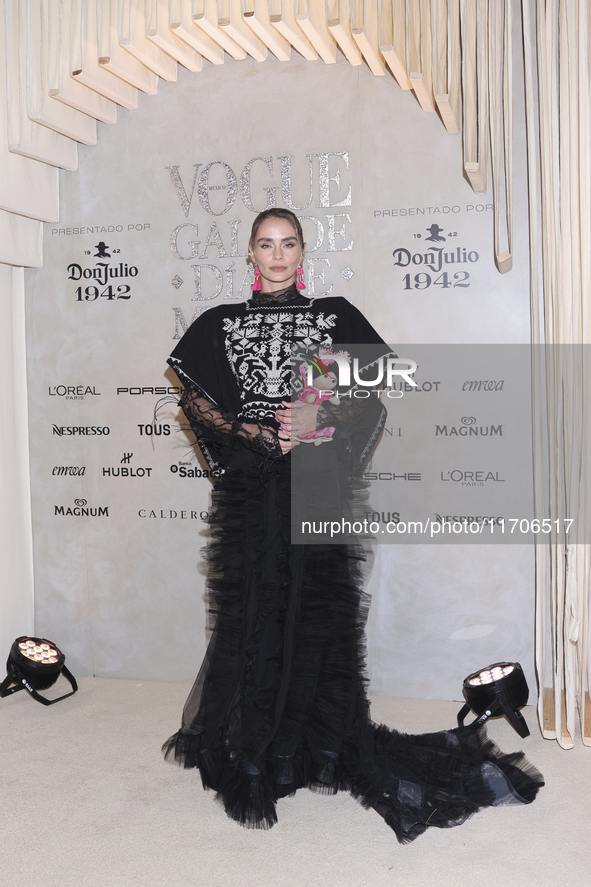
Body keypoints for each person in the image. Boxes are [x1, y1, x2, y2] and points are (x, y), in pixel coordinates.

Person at [163, 208, 543, 842]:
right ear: (251, 255)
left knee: (312, 611)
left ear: (302, 253)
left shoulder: (333, 316)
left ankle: (312, 739)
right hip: (255, 484)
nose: (277, 254)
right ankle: (257, 738)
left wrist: (317, 419)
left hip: (317, 480)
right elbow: (194, 400)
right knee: (257, 603)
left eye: (288, 244)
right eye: (265, 244)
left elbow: (373, 390)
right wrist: (255, 432)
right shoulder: (219, 323)